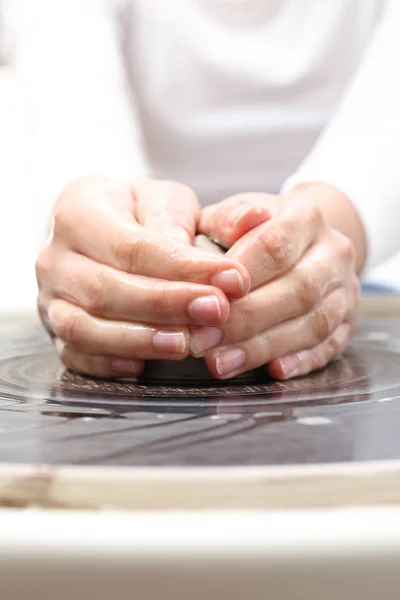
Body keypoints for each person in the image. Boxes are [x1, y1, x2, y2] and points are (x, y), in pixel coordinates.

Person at [4, 0, 400, 380]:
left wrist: (320, 242)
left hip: (360, 275)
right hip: (149, 283)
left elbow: (383, 134)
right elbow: (72, 99)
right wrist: (101, 234)